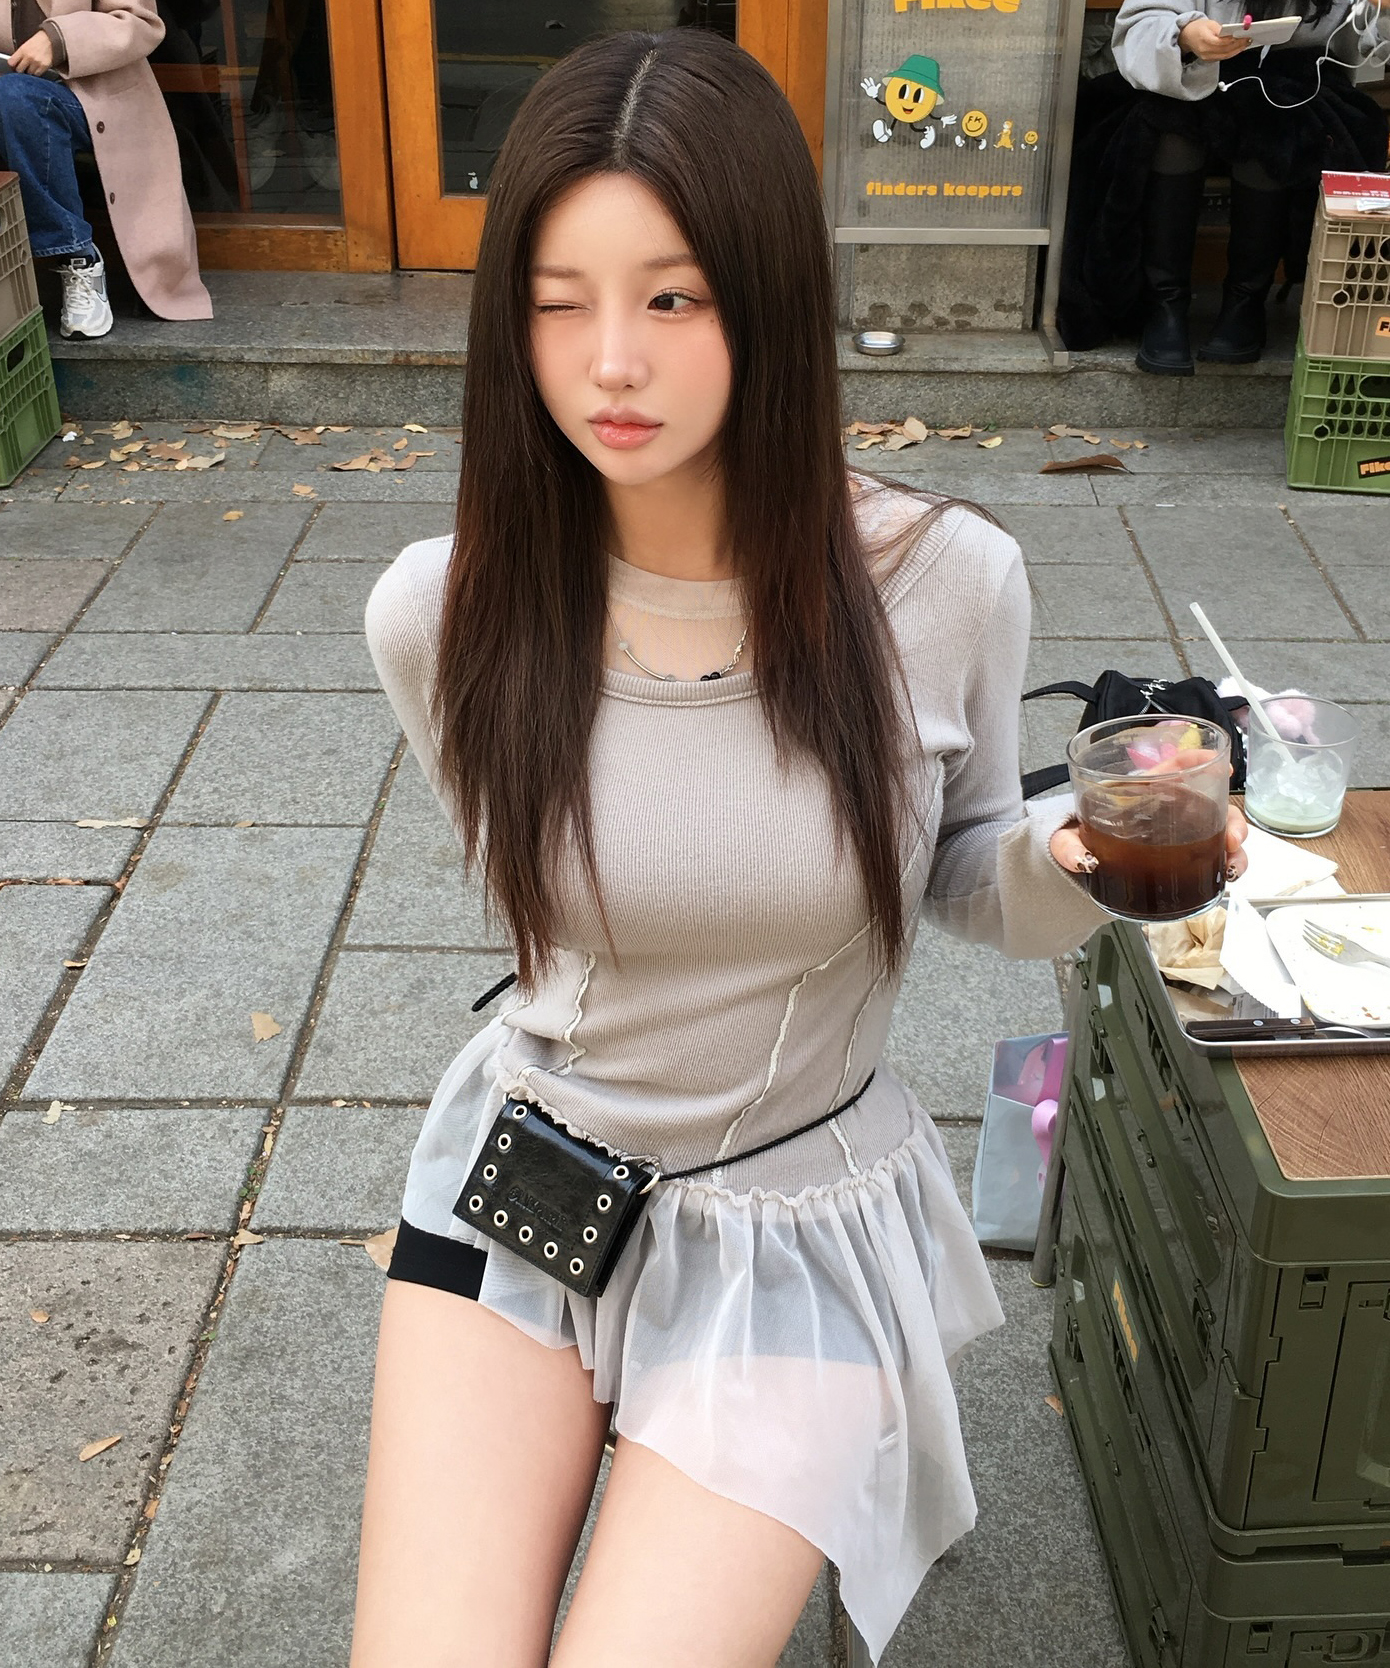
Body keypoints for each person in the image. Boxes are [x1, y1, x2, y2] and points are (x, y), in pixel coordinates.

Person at [352, 28, 1249, 1668]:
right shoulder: (441, 610)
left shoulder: (944, 582)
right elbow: (558, 921)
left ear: (767, 298)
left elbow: (966, 872)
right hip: (533, 1172)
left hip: (796, 1214)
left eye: (672, 298)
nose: (610, 361)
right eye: (558, 301)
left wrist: (1082, 852)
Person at [1112, 0, 1390, 372]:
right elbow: (1143, 19)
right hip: (1187, 72)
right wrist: (1184, 35)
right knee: (1169, 128)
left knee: (1274, 128)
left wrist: (1382, 11)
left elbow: (1366, 42)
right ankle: (1165, 303)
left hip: (1298, 81)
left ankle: (1245, 302)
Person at [0, 0, 212, 339]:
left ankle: (78, 258)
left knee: (15, 97)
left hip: (94, 99)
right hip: (11, 99)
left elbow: (141, 22)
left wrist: (58, 40)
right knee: (11, 97)